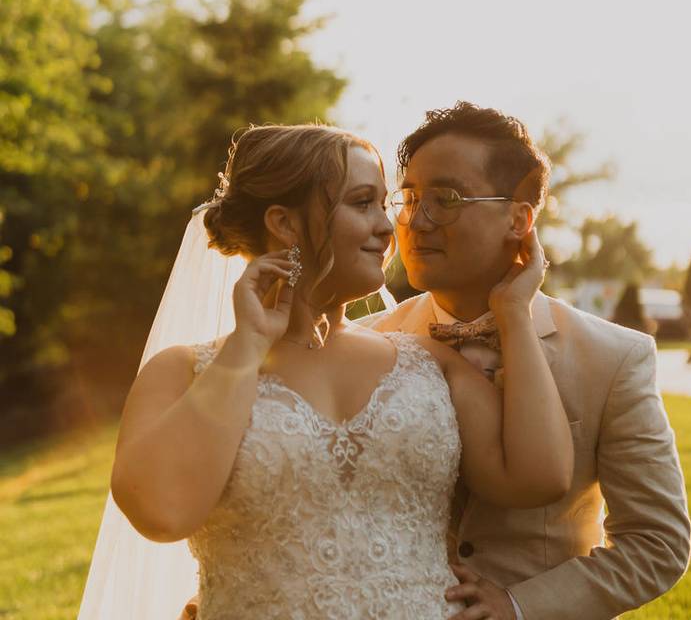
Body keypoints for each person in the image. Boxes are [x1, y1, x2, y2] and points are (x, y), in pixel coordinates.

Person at [84, 123, 574, 619]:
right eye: (362, 203)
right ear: (285, 223)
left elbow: (540, 476)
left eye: (385, 205)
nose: (389, 229)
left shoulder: (429, 362)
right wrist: (247, 345)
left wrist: (514, 310)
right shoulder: (183, 371)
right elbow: (163, 514)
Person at [365, 102, 691, 619]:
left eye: (446, 199)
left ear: (519, 220)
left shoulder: (614, 358)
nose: (417, 221)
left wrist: (521, 606)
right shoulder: (363, 343)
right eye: (408, 198)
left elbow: (658, 543)